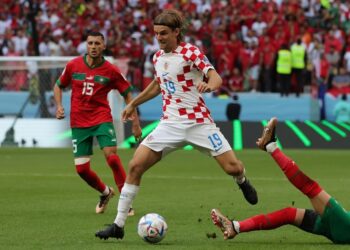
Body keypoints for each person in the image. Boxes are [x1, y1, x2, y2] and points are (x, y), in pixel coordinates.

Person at [95, 9, 258, 240]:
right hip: (169, 124)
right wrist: (133, 104)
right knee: (134, 166)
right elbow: (158, 84)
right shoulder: (157, 57)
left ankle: (242, 180)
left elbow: (216, 77)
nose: (159, 38)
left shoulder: (191, 52)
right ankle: (118, 226)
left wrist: (208, 85)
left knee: (233, 167)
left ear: (176, 32)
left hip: (199, 123)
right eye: (156, 34)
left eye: (163, 33)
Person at [211, 117, 350, 244]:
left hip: (346, 227)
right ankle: (236, 227)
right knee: (289, 214)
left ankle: (271, 146)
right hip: (343, 228)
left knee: (310, 188)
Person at [53, 31, 142, 215]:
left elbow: (128, 95)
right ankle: (105, 193)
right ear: (86, 45)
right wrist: (59, 106)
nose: (93, 47)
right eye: (90, 43)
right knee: (82, 170)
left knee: (112, 157)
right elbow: (58, 85)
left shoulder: (111, 70)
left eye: (97, 44)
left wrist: (135, 123)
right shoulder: (73, 65)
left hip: (101, 118)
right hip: (78, 121)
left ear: (104, 46)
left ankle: (126, 203)